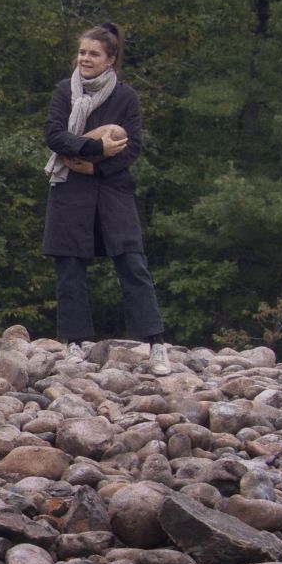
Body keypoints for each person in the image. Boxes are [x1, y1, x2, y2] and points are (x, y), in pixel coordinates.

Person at [42, 22, 171, 375]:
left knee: (132, 263)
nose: (85, 58)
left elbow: (133, 147)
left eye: (93, 54)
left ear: (110, 60)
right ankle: (74, 343)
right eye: (82, 52)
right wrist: (94, 147)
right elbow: (54, 135)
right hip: (69, 189)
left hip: (111, 189)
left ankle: (155, 344)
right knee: (69, 267)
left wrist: (96, 168)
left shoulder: (125, 97)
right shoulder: (62, 91)